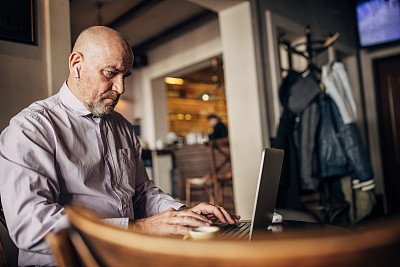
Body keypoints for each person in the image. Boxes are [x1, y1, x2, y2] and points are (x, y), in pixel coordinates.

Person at [0, 26, 239, 266]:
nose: (120, 88)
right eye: (110, 73)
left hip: (128, 255)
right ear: (76, 65)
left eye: (124, 76)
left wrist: (182, 214)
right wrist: (139, 229)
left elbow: (142, 193)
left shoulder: (122, 126)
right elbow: (30, 226)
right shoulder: (31, 128)